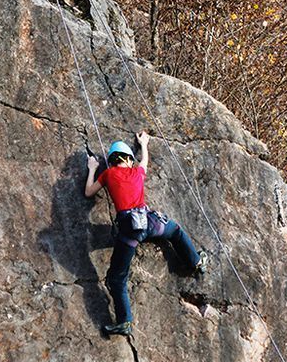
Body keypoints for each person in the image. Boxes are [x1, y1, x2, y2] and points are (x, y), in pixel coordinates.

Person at [85, 130, 207, 338]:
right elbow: (144, 162)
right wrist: (143, 144)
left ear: (112, 161)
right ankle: (196, 262)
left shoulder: (108, 174)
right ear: (129, 160)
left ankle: (124, 322)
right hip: (151, 223)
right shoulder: (137, 172)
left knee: (117, 278)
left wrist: (92, 168)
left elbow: (88, 192)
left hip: (130, 231)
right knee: (176, 231)